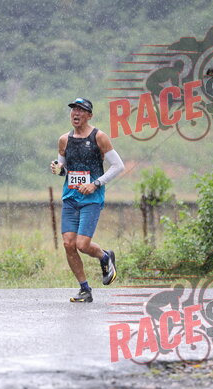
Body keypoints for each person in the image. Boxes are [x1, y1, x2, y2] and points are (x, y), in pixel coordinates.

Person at [50, 97, 125, 303]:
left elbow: (118, 166)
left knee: (82, 245)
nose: (76, 113)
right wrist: (58, 169)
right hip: (70, 198)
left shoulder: (99, 137)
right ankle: (84, 289)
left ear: (89, 115)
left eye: (81, 110)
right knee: (68, 244)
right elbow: (64, 169)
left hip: (91, 198)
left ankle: (105, 257)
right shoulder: (64, 140)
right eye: (73, 109)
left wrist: (96, 183)